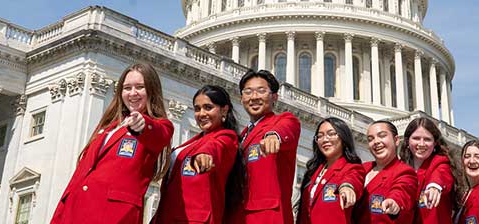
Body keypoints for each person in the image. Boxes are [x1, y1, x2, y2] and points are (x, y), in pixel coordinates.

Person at [51, 63, 174, 224]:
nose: (133, 93)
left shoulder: (157, 126)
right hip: (75, 213)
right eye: (127, 88)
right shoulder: (108, 127)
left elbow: (159, 134)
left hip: (114, 216)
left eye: (140, 87)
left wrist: (143, 124)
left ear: (151, 90)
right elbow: (77, 180)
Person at [153, 85, 244, 224]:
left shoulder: (226, 137)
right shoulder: (193, 142)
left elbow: (215, 148)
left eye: (208, 107)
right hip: (167, 216)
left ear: (224, 110)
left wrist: (205, 155)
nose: (201, 114)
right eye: (197, 109)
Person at [229, 69, 301, 224]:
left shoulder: (283, 120)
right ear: (241, 98)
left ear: (274, 97)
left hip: (267, 216)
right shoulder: (242, 135)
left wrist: (274, 136)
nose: (254, 97)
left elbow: (287, 129)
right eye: (248, 92)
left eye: (261, 91)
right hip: (239, 215)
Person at [297, 117, 365, 224]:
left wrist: (347, 187)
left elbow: (353, 179)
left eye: (331, 134)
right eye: (320, 136)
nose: (325, 140)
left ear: (343, 137)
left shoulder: (351, 167)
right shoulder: (313, 173)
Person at [354, 121, 418, 224]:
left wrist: (394, 202)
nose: (376, 142)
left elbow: (402, 191)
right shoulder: (362, 169)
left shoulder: (404, 172)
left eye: (382, 136)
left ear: (396, 140)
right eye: (370, 139)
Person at [399, 117, 457, 224]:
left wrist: (435, 186)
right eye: (416, 138)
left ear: (435, 143)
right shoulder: (401, 168)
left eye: (427, 139)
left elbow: (442, 174)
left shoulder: (440, 162)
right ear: (407, 141)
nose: (421, 144)